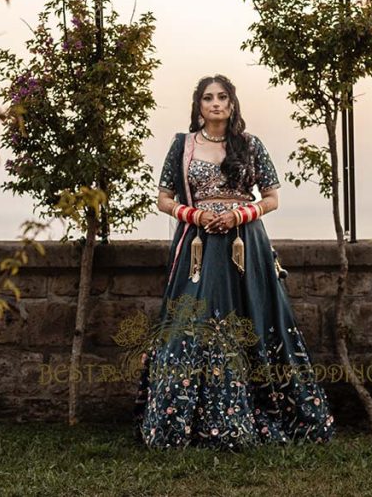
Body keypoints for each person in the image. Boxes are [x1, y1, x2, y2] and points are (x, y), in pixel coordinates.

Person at [132, 74, 335, 449]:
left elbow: (272, 198)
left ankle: (264, 414)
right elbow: (163, 199)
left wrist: (241, 215)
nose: (215, 104)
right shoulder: (183, 146)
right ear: (198, 105)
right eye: (208, 98)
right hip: (200, 248)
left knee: (254, 317)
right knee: (195, 320)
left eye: (222, 97)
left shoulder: (250, 145)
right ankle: (186, 422)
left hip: (246, 246)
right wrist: (196, 216)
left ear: (232, 103)